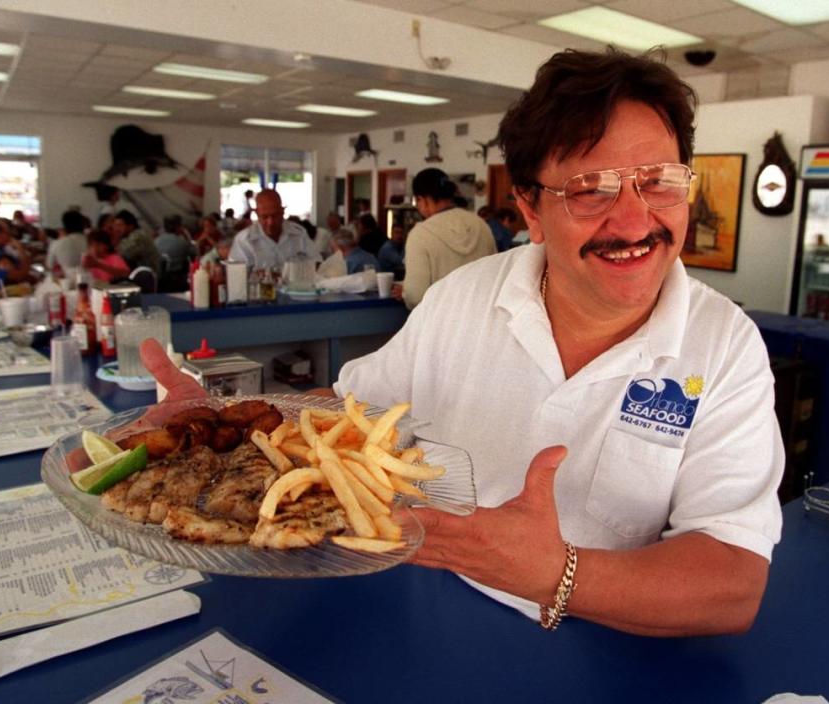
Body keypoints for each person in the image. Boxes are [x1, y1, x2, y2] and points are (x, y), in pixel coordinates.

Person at [329, 49, 783, 636]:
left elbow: (731, 586)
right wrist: (224, 431)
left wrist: (555, 574)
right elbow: (350, 418)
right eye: (590, 189)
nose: (634, 221)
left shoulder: (724, 346)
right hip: (432, 610)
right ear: (531, 209)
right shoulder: (462, 299)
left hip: (607, 646)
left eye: (658, 182)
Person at [401, 168, 496, 309]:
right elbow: (495, 275)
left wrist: (404, 293)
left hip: (441, 323)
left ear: (422, 199)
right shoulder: (480, 224)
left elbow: (415, 296)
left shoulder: (420, 234)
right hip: (481, 318)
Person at [229, 189, 320, 270]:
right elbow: (237, 275)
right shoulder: (244, 240)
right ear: (257, 214)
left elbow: (317, 263)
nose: (271, 222)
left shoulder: (299, 234)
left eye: (275, 216)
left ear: (283, 211)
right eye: (264, 217)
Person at [154, 214, 197, 291]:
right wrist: (188, 237)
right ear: (178, 227)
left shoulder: (156, 241)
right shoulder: (182, 242)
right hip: (178, 282)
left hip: (159, 282)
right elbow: (194, 255)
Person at [113, 209, 161, 274]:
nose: (116, 229)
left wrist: (114, 238)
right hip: (140, 274)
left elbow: (121, 254)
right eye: (115, 225)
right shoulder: (130, 236)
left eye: (120, 225)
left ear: (130, 226)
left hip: (147, 278)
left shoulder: (138, 237)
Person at [45, 209, 88, 275]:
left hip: (66, 281)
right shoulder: (91, 241)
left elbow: (49, 266)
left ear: (64, 225)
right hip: (90, 280)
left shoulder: (57, 243)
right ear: (83, 224)